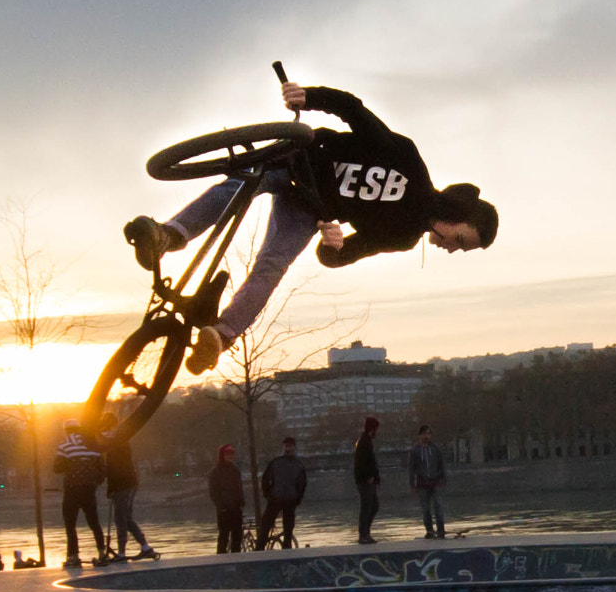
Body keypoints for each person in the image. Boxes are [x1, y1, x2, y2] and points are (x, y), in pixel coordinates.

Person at [124, 79, 500, 375]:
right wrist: (310, 96)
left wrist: (333, 245)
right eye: (461, 240)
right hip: (297, 160)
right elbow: (354, 112)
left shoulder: (401, 237)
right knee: (239, 184)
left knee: (273, 264)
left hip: (307, 208)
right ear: (459, 215)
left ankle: (221, 337)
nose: (452, 248)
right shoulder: (409, 161)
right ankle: (169, 235)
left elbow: (339, 257)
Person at [98, 412, 158, 561]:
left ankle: (121, 553)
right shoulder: (120, 439)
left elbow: (113, 469)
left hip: (123, 484)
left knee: (120, 519)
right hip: (130, 482)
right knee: (126, 518)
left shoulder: (115, 441)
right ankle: (145, 547)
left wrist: (111, 489)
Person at [53, 420, 110, 568]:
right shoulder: (93, 446)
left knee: (70, 525)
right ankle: (102, 554)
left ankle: (74, 557)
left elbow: (57, 468)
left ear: (65, 431)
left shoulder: (64, 446)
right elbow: (102, 469)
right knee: (94, 523)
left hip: (72, 490)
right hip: (89, 490)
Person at [257, 436, 308, 550]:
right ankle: (259, 550)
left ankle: (287, 551)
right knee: (265, 526)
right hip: (275, 499)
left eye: (290, 446)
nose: (288, 448)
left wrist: (297, 499)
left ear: (294, 447)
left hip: (290, 501)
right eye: (286, 446)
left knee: (288, 530)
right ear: (283, 447)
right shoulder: (276, 462)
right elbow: (265, 480)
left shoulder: (298, 465)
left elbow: (302, 484)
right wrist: (269, 496)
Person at [408, 424, 447, 539]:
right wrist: (412, 485)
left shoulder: (435, 449)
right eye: (425, 433)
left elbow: (441, 465)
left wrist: (443, 480)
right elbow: (412, 469)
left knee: (438, 506)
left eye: (429, 434)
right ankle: (429, 530)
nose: (427, 436)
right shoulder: (415, 450)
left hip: (436, 482)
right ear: (420, 435)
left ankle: (441, 530)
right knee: (426, 509)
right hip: (422, 484)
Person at [209, 444, 246, 553]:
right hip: (224, 510)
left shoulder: (235, 470)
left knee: (237, 536)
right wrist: (221, 506)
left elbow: (239, 488)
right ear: (222, 455)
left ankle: (236, 559)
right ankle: (221, 560)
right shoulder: (216, 472)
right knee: (224, 536)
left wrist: (241, 502)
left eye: (232, 454)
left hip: (236, 508)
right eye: (227, 454)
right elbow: (214, 492)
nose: (230, 456)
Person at [354, 416, 382, 544]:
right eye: (377, 429)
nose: (378, 432)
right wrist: (368, 476)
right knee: (367, 507)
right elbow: (361, 463)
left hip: (369, 480)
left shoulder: (367, 441)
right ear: (373, 429)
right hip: (365, 481)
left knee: (373, 506)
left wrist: (376, 477)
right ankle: (363, 534)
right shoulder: (364, 442)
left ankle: (366, 532)